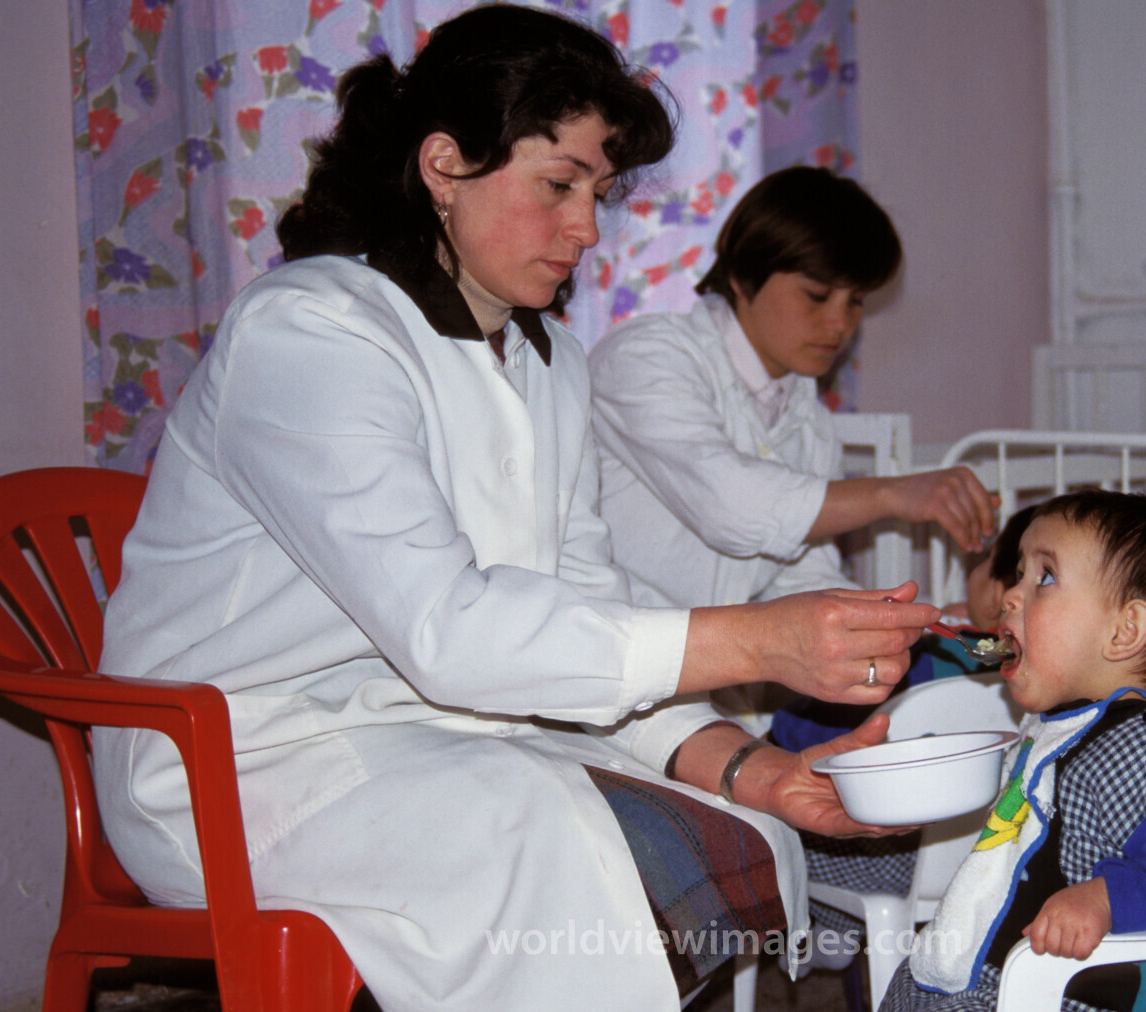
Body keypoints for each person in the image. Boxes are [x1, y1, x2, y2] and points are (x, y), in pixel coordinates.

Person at [89, 8, 941, 1011]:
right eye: (558, 186)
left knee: (736, 823)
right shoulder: (310, 331)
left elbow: (584, 608)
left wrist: (749, 767)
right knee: (541, 828)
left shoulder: (549, 365)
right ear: (444, 167)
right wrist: (757, 642)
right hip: (242, 762)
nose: (587, 227)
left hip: (435, 732)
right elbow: (451, 628)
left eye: (601, 193)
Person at [588, 166, 998, 732]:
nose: (839, 323)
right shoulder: (646, 357)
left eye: (855, 302)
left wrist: (929, 623)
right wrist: (894, 493)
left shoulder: (809, 423)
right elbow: (734, 508)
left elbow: (800, 578)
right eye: (816, 295)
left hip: (719, 706)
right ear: (741, 276)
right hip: (612, 685)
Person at [881, 489, 1146, 1012]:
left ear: (1125, 630)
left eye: (1044, 578)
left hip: (1093, 995)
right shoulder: (1064, 725)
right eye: (1017, 574)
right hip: (1020, 976)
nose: (1011, 596)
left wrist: (1108, 899)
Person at [769, 504, 1036, 753]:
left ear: (996, 597)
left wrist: (779, 734)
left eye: (988, 557)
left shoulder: (929, 650)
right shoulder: (1035, 671)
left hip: (839, 744)